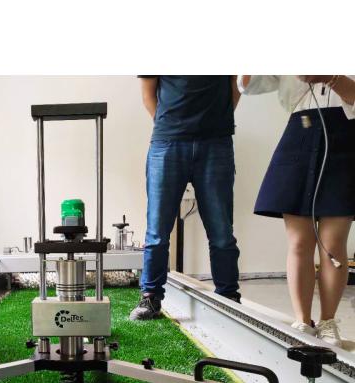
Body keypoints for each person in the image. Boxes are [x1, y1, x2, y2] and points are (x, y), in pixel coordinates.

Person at [238, 76, 355, 348]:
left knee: (332, 243)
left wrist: (331, 78)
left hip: (346, 136)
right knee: (300, 242)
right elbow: (250, 84)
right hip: (300, 134)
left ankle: (328, 321)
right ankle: (302, 321)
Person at [130, 76, 242, 320]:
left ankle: (228, 296)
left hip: (216, 141)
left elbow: (236, 86)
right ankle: (150, 296)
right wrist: (173, 125)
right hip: (168, 141)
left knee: (221, 230)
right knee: (158, 230)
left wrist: (215, 122)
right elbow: (148, 95)